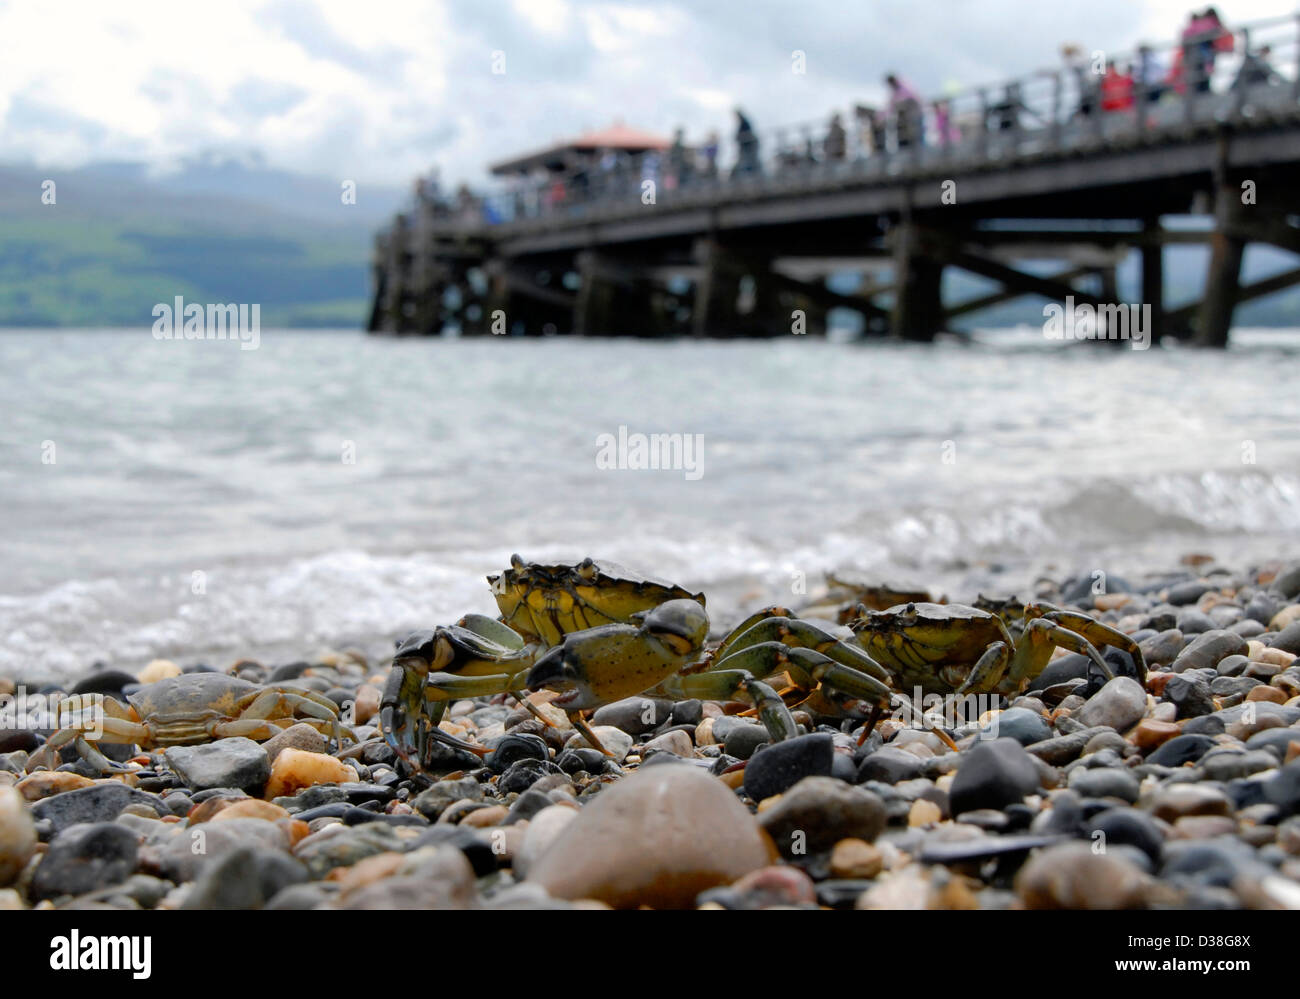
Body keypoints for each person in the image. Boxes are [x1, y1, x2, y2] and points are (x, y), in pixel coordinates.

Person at [885, 73, 923, 148]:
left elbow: (914, 100)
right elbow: (890, 107)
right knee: (905, 136)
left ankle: (917, 146)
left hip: (913, 117)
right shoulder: (895, 92)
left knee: (916, 135)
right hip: (905, 121)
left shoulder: (905, 88)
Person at [1062, 44, 1098, 119]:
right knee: (1087, 101)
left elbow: (1077, 66)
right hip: (1085, 85)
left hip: (1086, 84)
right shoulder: (1078, 58)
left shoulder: (1076, 59)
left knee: (1087, 101)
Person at [732, 109, 761, 176]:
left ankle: (751, 175)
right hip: (746, 146)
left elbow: (745, 133)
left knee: (749, 161)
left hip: (748, 147)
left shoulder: (744, 122)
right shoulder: (743, 122)